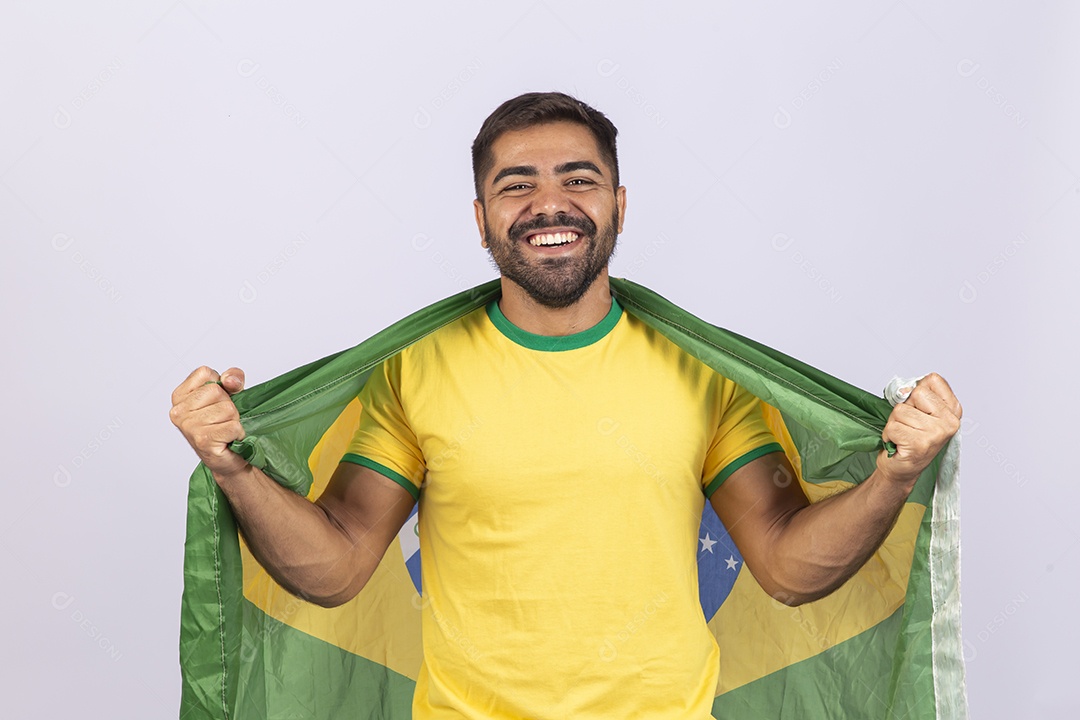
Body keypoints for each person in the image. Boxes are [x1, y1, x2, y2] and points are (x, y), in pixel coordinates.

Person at [170, 91, 962, 719]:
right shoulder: (415, 371)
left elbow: (789, 566)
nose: (550, 203)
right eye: (517, 185)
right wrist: (232, 469)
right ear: (481, 220)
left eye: (578, 180)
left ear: (618, 203)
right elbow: (339, 565)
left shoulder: (704, 370)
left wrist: (894, 476)